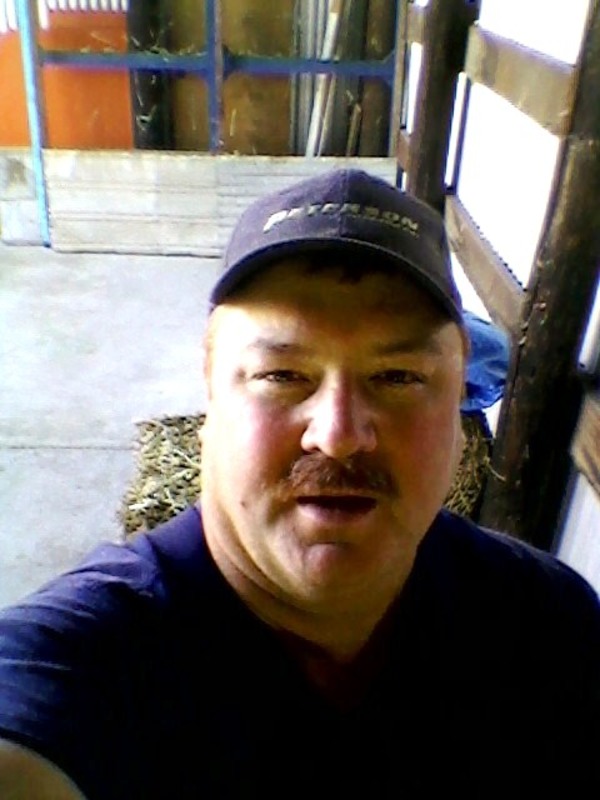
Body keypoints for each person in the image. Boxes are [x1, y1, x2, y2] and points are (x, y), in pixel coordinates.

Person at [0, 169, 598, 799]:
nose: (338, 435)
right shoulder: (87, 659)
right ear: (210, 400)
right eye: (282, 375)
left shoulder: (545, 624)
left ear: (460, 409)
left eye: (398, 377)